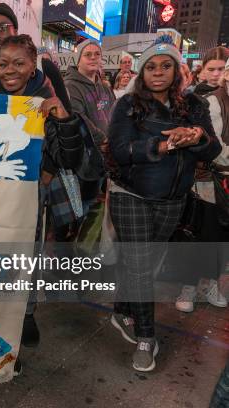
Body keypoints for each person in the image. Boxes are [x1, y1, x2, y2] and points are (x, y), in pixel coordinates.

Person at [107, 37, 221, 372]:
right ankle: (146, 337)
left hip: (173, 200)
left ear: (177, 70)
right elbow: (119, 151)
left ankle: (121, 310)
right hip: (130, 194)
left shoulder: (194, 104)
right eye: (151, 66)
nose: (158, 72)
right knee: (141, 263)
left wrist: (197, 138)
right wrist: (163, 145)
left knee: (144, 261)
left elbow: (212, 151)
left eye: (166, 65)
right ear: (142, 72)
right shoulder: (127, 105)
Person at [0, 34, 86, 373]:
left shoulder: (47, 97)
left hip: (29, 196)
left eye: (18, 63)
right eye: (4, 64)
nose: (9, 70)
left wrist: (61, 118)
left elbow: (71, 156)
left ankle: (23, 319)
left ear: (33, 64)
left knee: (26, 258)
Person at [174, 57, 229, 313]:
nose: (218, 74)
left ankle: (211, 284)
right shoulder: (210, 101)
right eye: (214, 69)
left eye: (221, 68)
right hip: (209, 180)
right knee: (201, 233)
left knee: (221, 238)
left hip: (222, 181)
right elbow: (212, 147)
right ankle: (189, 286)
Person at [64, 39, 115, 211]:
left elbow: (114, 112)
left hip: (103, 157)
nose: (93, 58)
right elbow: (78, 116)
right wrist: (103, 139)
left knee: (94, 201)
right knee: (80, 206)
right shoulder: (70, 85)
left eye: (97, 54)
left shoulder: (104, 87)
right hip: (83, 161)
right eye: (87, 54)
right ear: (78, 59)